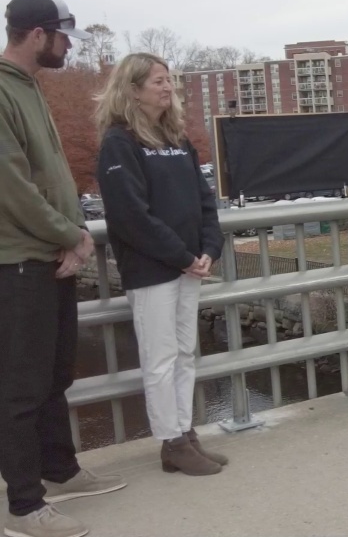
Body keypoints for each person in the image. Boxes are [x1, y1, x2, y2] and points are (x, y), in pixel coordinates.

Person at [0, 0, 125, 537]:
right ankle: (25, 505)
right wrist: (69, 232)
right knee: (20, 388)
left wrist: (70, 237)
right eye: (63, 35)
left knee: (54, 375)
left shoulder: (29, 87)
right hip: (17, 261)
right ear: (36, 34)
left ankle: (60, 468)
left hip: (48, 254)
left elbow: (46, 173)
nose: (69, 45)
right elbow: (10, 185)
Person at [95, 53, 226, 476]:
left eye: (169, 80)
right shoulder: (120, 142)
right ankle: (170, 442)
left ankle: (186, 433)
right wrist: (183, 256)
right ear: (133, 89)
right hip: (154, 270)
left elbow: (205, 201)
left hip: (189, 265)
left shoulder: (177, 140)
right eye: (157, 81)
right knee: (161, 357)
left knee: (185, 352)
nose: (168, 87)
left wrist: (209, 248)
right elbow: (130, 215)